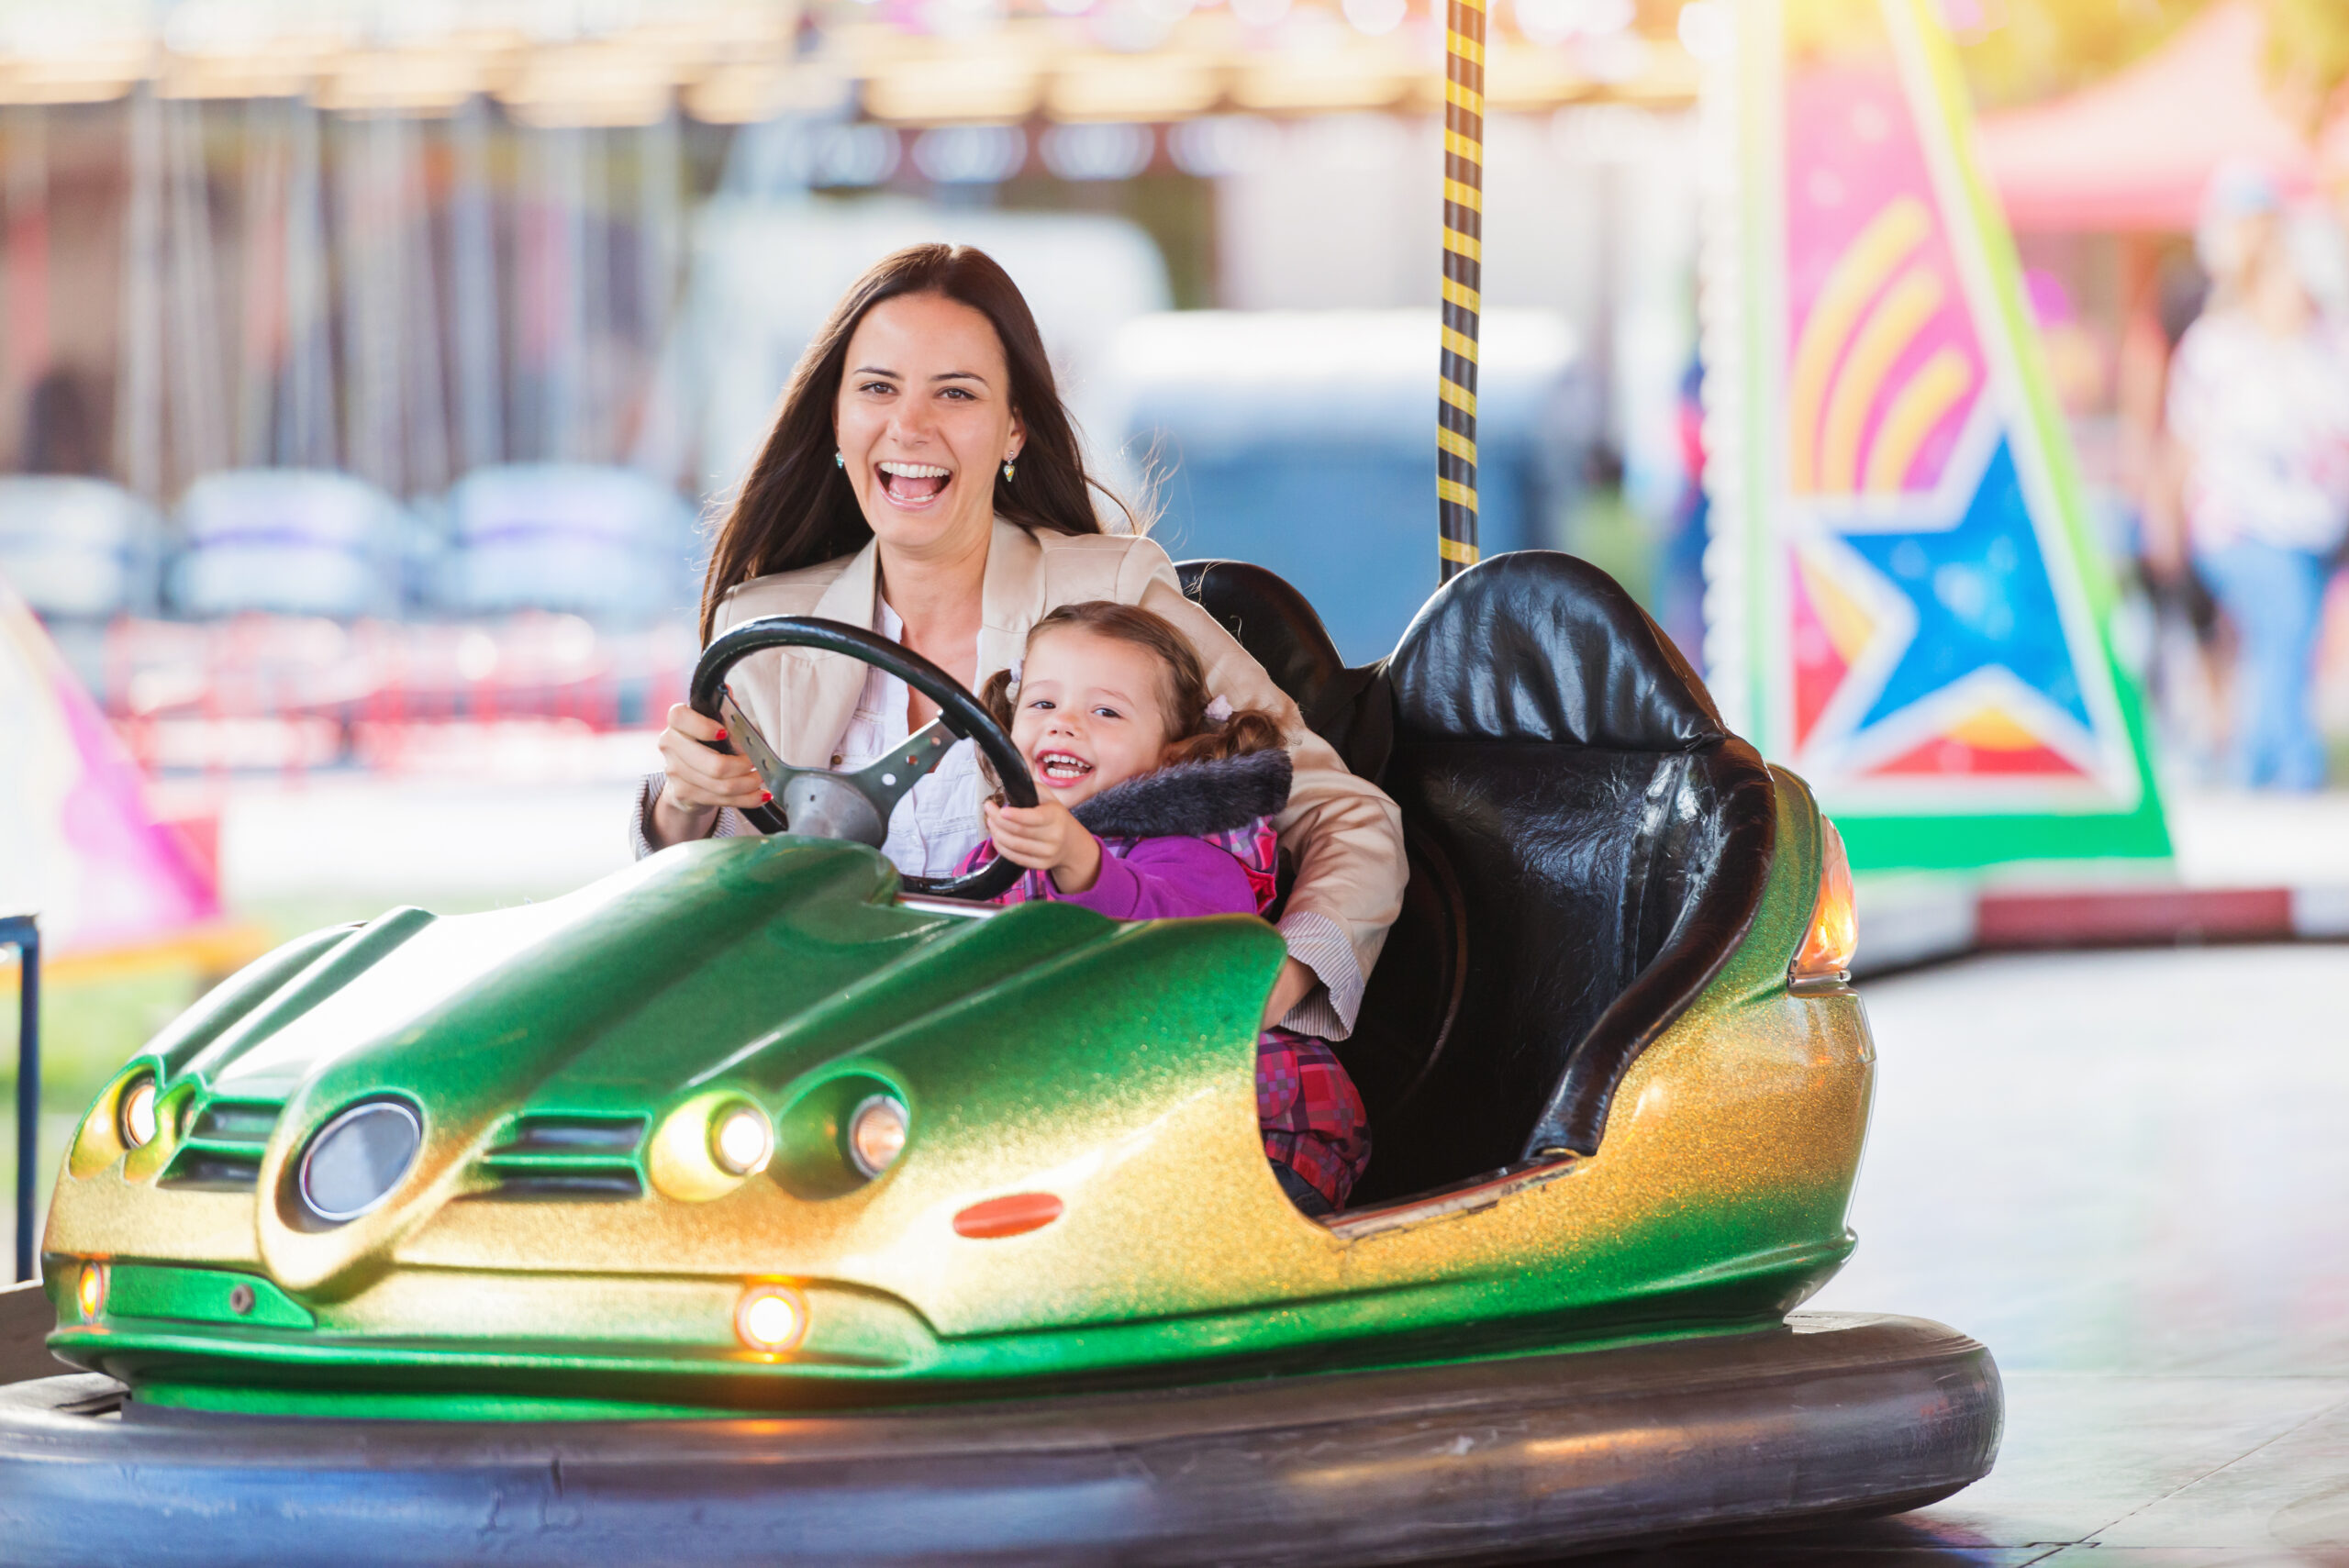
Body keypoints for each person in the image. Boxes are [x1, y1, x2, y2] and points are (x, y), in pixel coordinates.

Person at [637, 242, 1407, 1042]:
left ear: (1013, 431)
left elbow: (1351, 818)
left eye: (955, 393)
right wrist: (683, 804)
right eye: (877, 388)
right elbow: (705, 921)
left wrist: (1271, 987)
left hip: (1042, 1063)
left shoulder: (1109, 594)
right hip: (825, 1053)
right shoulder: (761, 630)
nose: (909, 425)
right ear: (837, 419)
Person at [963, 600, 1371, 1216]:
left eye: (1105, 711)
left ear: (1172, 752)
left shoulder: (1198, 853)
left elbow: (1176, 940)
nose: (1065, 723)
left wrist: (1084, 864)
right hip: (1099, 1115)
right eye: (1043, 703)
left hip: (1247, 1126)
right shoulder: (996, 854)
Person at [2166, 166, 2349, 791]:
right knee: (2286, 621)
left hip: (2311, 526)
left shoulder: (2323, 350)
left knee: (2289, 634)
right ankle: (2281, 758)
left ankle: (2266, 756)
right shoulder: (2219, 348)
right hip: (2238, 523)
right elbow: (2185, 442)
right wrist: (2167, 520)